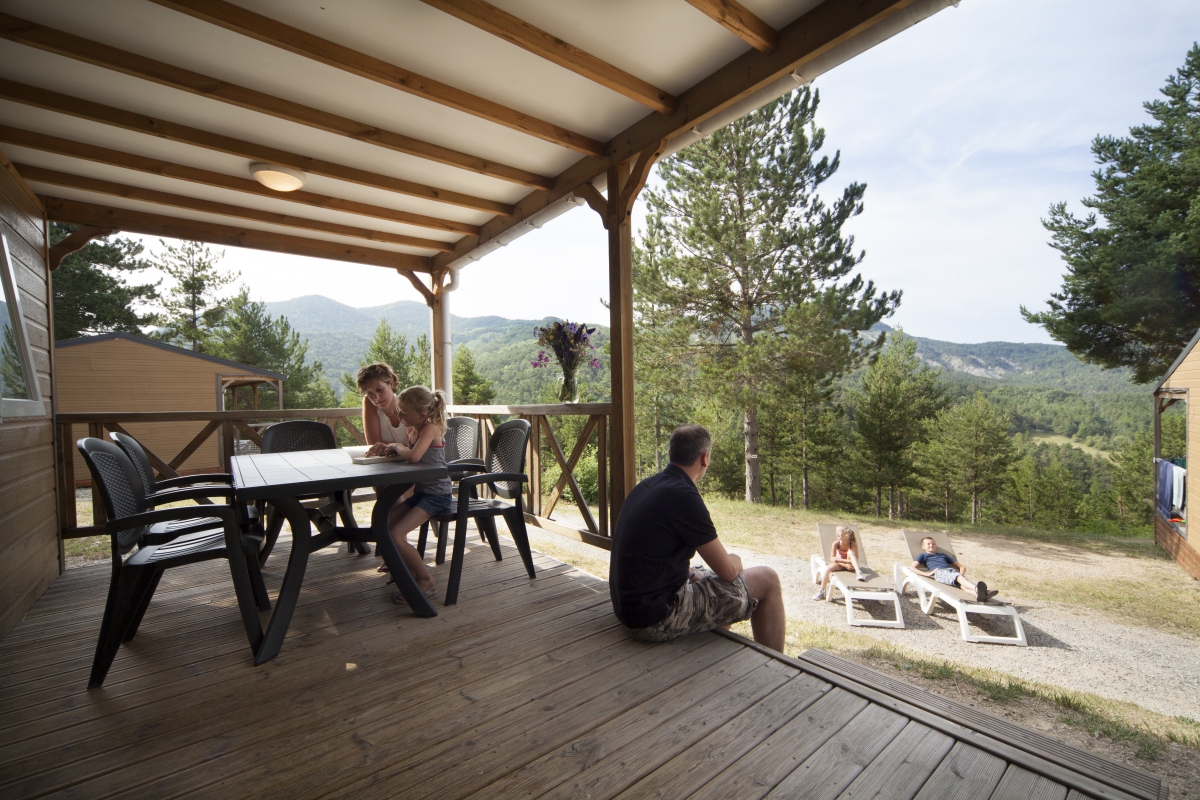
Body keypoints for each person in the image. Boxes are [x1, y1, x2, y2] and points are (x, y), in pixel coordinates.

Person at [609, 424, 786, 651]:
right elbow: (728, 571)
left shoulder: (648, 485)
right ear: (704, 458)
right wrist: (737, 559)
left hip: (629, 609)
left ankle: (711, 650)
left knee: (707, 577)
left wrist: (692, 573)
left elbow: (654, 554)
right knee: (767, 579)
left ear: (671, 453)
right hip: (655, 619)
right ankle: (777, 663)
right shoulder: (684, 495)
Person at [358, 363, 453, 603]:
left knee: (396, 534)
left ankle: (425, 579)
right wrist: (396, 448)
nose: (399, 418)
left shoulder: (430, 428)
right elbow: (410, 454)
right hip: (422, 492)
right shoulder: (414, 429)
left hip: (436, 495)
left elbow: (413, 457)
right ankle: (403, 570)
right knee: (384, 521)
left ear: (421, 415)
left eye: (403, 414)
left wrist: (396, 446)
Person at [912, 536, 998, 603]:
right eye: (928, 544)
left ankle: (977, 595)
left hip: (952, 572)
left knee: (963, 586)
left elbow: (962, 567)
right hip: (940, 572)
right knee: (961, 580)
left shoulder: (943, 555)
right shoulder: (923, 555)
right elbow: (913, 568)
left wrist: (960, 576)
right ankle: (981, 590)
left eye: (933, 544)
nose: (931, 545)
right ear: (923, 547)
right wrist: (927, 574)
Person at [812, 526, 865, 601]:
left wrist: (840, 560)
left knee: (850, 552)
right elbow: (832, 559)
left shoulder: (853, 544)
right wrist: (844, 565)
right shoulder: (836, 543)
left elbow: (854, 561)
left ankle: (858, 572)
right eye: (837, 533)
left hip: (850, 566)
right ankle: (822, 591)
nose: (837, 534)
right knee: (828, 569)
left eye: (839, 532)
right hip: (840, 564)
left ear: (846, 534)